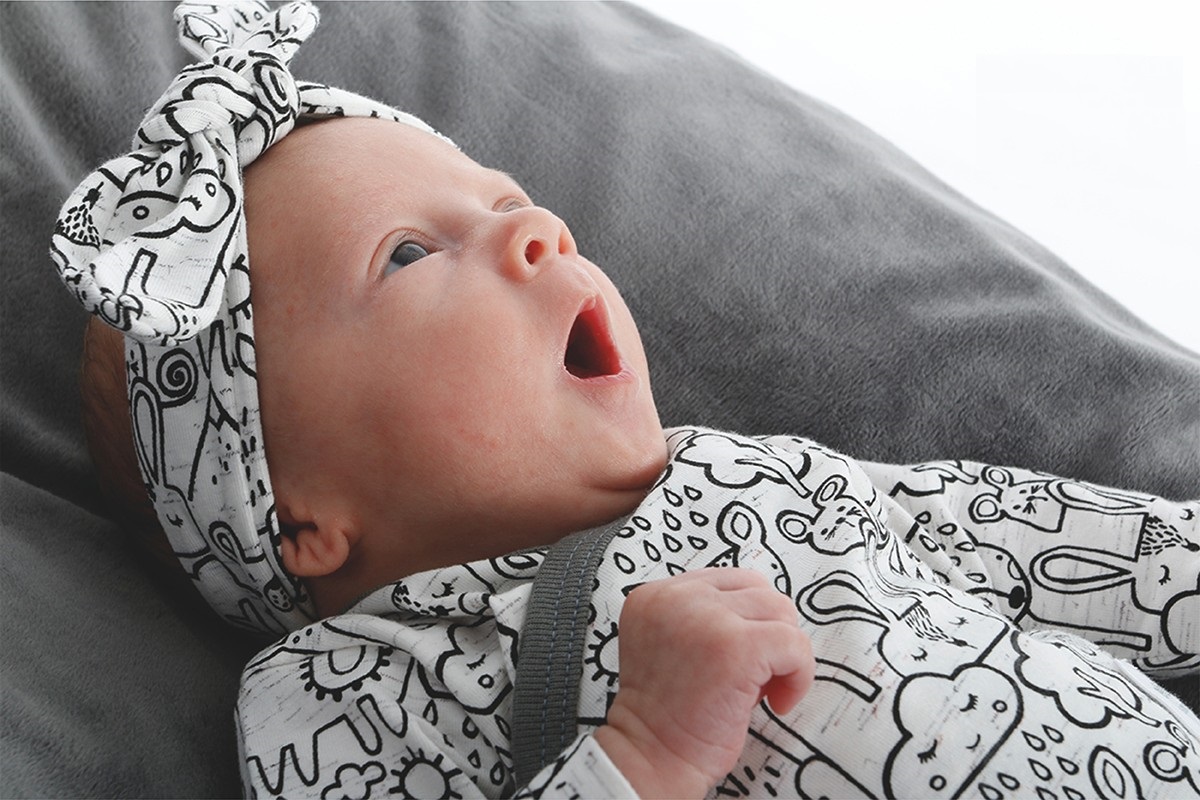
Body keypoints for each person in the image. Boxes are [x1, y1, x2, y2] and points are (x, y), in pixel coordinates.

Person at [57, 2, 1200, 798]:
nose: (533, 229)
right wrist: (642, 749)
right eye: (409, 255)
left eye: (507, 199)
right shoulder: (351, 686)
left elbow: (1015, 539)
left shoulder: (752, 474)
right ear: (297, 508)